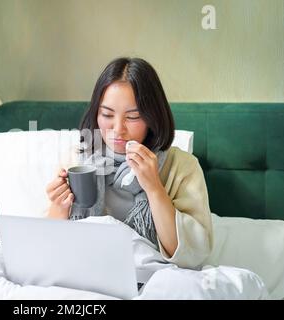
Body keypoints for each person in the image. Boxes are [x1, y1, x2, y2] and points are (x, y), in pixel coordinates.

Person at [45, 57, 213, 269]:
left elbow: (193, 254)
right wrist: (59, 207)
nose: (118, 129)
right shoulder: (77, 160)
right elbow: (48, 247)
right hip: (86, 273)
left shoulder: (181, 166)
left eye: (132, 117)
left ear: (152, 116)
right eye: (107, 114)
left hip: (150, 278)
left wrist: (154, 188)